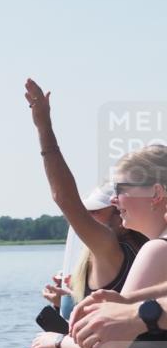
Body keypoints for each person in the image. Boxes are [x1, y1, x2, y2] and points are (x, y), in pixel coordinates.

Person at [30, 144, 167, 348]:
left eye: (121, 189)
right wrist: (130, 300)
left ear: (156, 193)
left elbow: (107, 345)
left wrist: (55, 341)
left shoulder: (157, 249)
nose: (115, 199)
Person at [25, 79, 147, 306]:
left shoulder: (111, 248)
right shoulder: (150, 251)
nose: (86, 216)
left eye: (96, 211)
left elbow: (65, 198)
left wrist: (43, 126)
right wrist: (67, 304)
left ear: (120, 217)